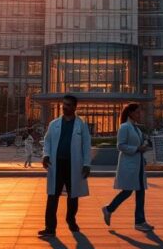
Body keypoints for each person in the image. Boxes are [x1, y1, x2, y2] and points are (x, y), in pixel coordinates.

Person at [38, 94, 92, 237]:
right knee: (52, 195)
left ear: (74, 107)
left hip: (73, 164)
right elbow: (47, 141)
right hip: (56, 164)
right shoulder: (54, 124)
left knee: (73, 195)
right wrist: (46, 155)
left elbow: (86, 145)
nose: (64, 107)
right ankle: (50, 228)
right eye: (64, 104)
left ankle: (71, 220)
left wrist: (86, 164)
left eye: (68, 105)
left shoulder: (81, 125)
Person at [101, 102, 154, 232]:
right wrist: (137, 149)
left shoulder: (136, 128)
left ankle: (139, 221)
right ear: (130, 113)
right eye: (137, 112)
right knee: (128, 191)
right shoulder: (125, 127)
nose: (140, 114)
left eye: (140, 112)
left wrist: (143, 148)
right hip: (129, 164)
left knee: (140, 192)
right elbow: (120, 145)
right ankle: (109, 209)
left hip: (138, 164)